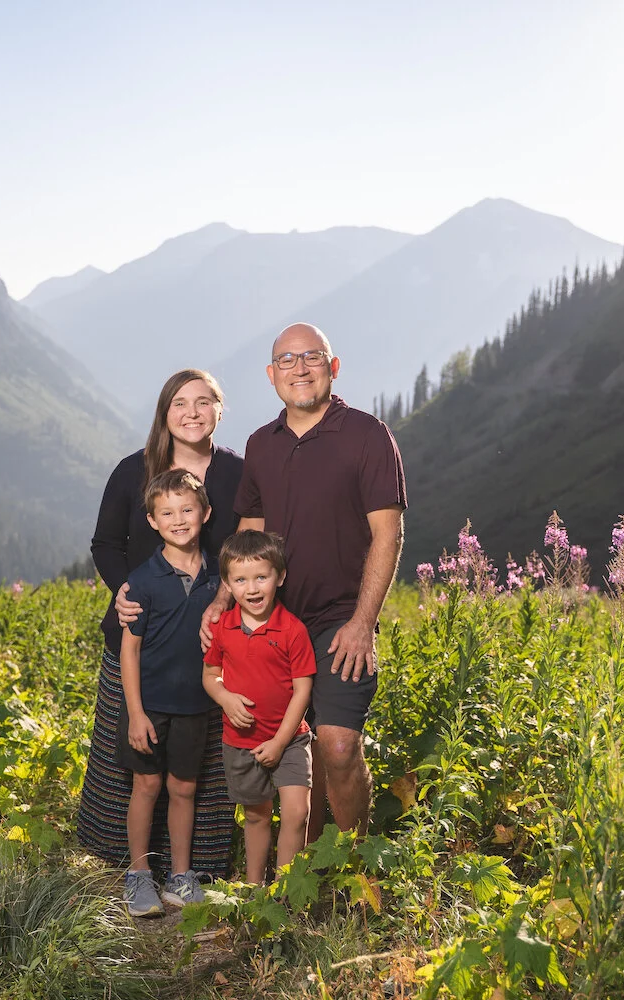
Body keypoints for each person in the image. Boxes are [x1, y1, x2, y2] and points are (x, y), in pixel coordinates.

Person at [203, 322, 405, 841]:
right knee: (295, 746)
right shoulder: (260, 444)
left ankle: (357, 864)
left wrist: (364, 623)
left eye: (312, 357)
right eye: (287, 361)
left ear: (333, 368)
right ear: (272, 376)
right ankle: (307, 872)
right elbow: (249, 529)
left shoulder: (367, 435)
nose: (301, 368)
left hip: (340, 621)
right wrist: (224, 600)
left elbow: (388, 534)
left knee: (337, 746)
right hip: (275, 621)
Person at [79, 369, 241, 879]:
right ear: (164, 412)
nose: (191, 413)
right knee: (135, 759)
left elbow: (249, 545)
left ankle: (192, 866)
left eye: (203, 402)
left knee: (199, 769)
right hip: (139, 631)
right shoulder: (134, 471)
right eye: (179, 403)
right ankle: (128, 864)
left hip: (210, 638)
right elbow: (105, 544)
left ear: (220, 409)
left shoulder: (238, 474)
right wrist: (126, 590)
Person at [116, 469, 220, 916]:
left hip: (195, 706)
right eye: (167, 513)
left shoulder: (220, 575)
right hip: (150, 706)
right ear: (152, 521)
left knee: (183, 787)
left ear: (206, 513)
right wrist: (135, 714)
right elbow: (130, 652)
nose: (179, 519)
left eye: (187, 510)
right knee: (147, 785)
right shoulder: (142, 581)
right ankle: (138, 876)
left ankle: (181, 875)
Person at [203, 530, 316, 884]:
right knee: (257, 816)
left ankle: (284, 892)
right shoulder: (224, 627)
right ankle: (254, 890)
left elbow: (302, 691)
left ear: (279, 577)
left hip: (290, 740)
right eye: (240, 579)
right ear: (228, 583)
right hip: (241, 742)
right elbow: (210, 675)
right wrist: (224, 697)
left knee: (297, 813)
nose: (252, 589)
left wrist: (282, 742)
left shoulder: (292, 630)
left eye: (261, 577)